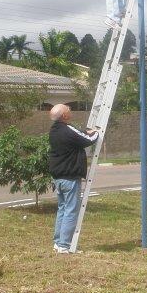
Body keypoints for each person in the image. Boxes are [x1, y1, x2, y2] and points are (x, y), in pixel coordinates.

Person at [48, 103, 98, 254]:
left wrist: (85, 132)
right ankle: (64, 245)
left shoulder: (54, 131)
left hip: (59, 177)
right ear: (64, 115)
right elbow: (88, 140)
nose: (70, 110)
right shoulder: (67, 129)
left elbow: (77, 134)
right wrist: (97, 132)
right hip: (70, 178)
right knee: (70, 210)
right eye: (68, 109)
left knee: (63, 209)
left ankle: (58, 243)